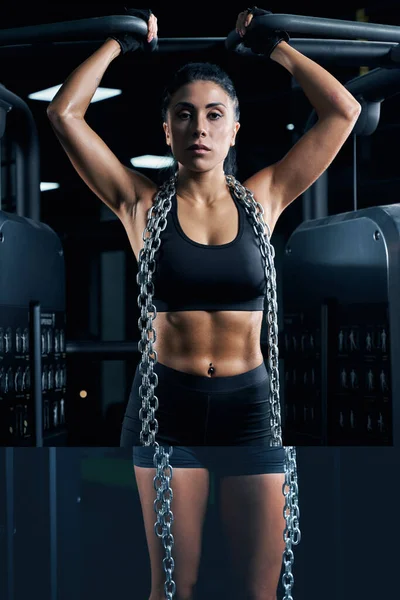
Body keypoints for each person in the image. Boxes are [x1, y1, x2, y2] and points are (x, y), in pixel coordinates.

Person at [47, 7, 361, 600]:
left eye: (215, 116)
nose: (200, 129)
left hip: (249, 410)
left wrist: (276, 47)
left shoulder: (264, 199)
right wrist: (120, 41)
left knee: (260, 591)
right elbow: (64, 114)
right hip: (167, 407)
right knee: (171, 589)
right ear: (166, 129)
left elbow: (342, 111)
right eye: (184, 115)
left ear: (234, 129)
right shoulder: (138, 203)